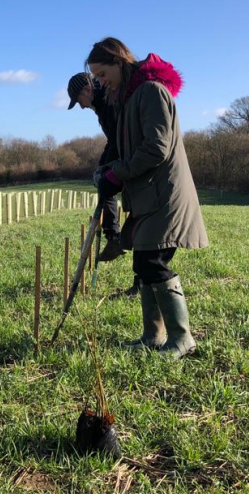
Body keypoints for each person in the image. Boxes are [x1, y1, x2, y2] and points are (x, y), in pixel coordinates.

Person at [87, 38, 208, 359]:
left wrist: (119, 173)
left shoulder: (152, 91)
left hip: (165, 194)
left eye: (102, 73)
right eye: (96, 77)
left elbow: (156, 147)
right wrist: (109, 170)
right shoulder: (128, 99)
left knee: (152, 262)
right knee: (144, 263)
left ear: (119, 61)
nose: (101, 82)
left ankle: (183, 340)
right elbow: (124, 146)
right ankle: (154, 336)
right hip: (146, 196)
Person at [67, 73, 140, 297]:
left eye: (78, 100)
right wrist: (102, 166)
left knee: (107, 188)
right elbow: (112, 139)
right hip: (127, 158)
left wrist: (108, 170)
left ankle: (114, 238)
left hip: (134, 162)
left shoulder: (108, 102)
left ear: (86, 91)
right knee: (137, 220)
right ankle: (116, 240)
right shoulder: (103, 104)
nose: (80, 107)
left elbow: (121, 137)